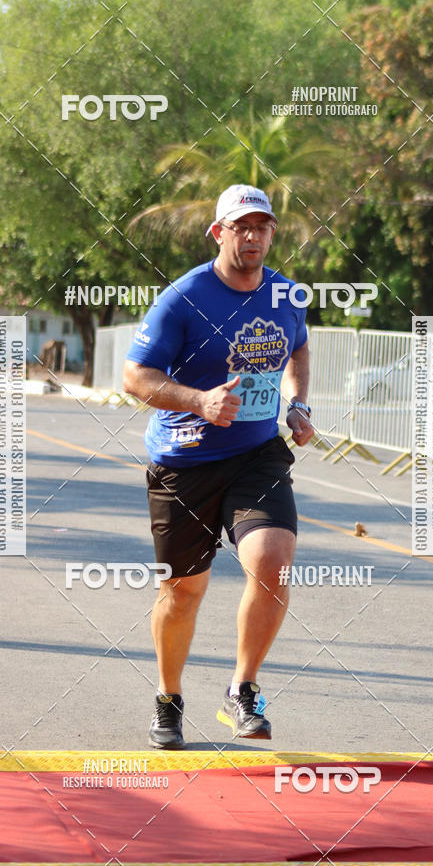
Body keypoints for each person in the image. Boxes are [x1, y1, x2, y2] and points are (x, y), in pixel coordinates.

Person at [123, 184, 314, 749]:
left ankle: (242, 689)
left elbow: (299, 347)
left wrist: (298, 403)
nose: (254, 236)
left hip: (256, 454)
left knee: (273, 561)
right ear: (219, 232)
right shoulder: (183, 298)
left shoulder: (286, 294)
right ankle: (168, 697)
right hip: (185, 461)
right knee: (183, 590)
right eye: (242, 226)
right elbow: (135, 377)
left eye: (263, 226)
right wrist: (199, 401)